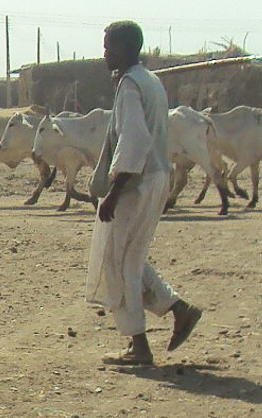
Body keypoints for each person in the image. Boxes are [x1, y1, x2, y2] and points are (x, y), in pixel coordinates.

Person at [86, 20, 202, 365]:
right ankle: (177, 308)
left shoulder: (131, 86)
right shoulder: (148, 80)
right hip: (156, 177)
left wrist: (113, 191)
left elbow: (134, 139)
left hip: (136, 182)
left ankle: (139, 345)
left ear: (122, 48)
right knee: (131, 258)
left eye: (108, 46)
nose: (104, 53)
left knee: (119, 262)